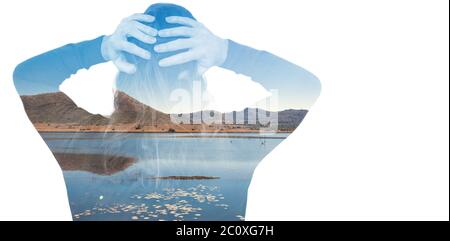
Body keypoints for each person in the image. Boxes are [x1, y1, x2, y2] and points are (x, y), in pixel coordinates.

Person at [13, 3, 321, 221]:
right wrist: (226, 51)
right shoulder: (234, 142)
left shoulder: (83, 139)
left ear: (122, 75)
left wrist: (102, 47)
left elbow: (28, 76)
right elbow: (303, 85)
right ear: (196, 79)